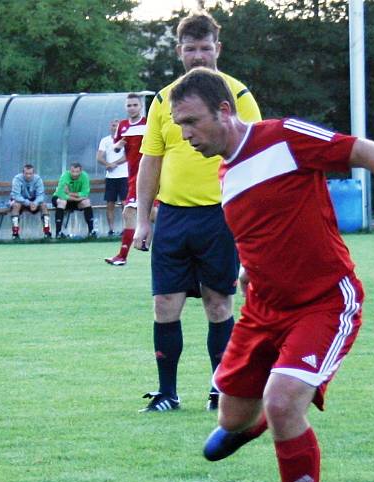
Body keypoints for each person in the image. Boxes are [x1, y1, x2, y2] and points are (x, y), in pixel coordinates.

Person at [169, 67, 374, 482]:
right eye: (179, 125)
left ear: (224, 111)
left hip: (324, 302)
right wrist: (249, 270)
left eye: (192, 122)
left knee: (285, 399)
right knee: (230, 421)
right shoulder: (226, 176)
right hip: (263, 308)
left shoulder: (285, 137)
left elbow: (359, 149)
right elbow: (260, 231)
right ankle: (259, 418)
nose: (185, 136)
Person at [133, 12, 261, 412]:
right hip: (172, 216)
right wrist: (142, 220)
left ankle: (220, 388)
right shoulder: (162, 100)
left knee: (218, 303)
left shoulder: (238, 97)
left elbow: (255, 155)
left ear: (218, 49)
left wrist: (254, 219)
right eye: (191, 49)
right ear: (179, 52)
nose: (199, 56)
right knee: (164, 304)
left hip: (221, 217)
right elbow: (150, 161)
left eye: (206, 47)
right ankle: (167, 393)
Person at [105, 93, 148, 266]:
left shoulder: (148, 124)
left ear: (140, 107)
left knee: (152, 213)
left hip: (150, 175)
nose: (131, 108)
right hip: (133, 177)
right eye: (128, 105)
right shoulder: (122, 126)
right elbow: (119, 150)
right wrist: (117, 147)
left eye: (134, 105)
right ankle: (123, 256)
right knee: (129, 212)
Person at [96, 119, 128, 236]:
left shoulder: (125, 139)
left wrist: (115, 163)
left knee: (125, 203)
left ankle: (127, 228)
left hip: (124, 175)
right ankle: (111, 229)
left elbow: (127, 156)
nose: (115, 127)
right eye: (113, 125)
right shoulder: (105, 140)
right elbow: (99, 157)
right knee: (110, 204)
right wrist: (107, 164)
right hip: (111, 177)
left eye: (117, 126)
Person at [53, 163, 96, 239]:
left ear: (81, 171)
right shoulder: (65, 176)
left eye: (77, 172)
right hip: (61, 199)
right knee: (62, 202)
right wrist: (77, 198)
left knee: (86, 202)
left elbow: (85, 193)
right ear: (70, 170)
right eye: (72, 171)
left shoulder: (85, 176)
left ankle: (91, 232)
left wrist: (69, 193)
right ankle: (58, 233)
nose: (74, 174)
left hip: (75, 201)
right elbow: (61, 194)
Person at [10, 164, 51, 239]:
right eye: (26, 173)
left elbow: (41, 195)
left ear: (33, 173)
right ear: (23, 173)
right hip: (21, 201)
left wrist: (35, 203)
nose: (28, 175)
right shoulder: (17, 179)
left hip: (34, 201)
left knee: (43, 205)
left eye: (30, 173)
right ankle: (15, 233)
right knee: (16, 205)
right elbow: (16, 196)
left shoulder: (38, 179)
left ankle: (47, 232)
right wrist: (28, 203)